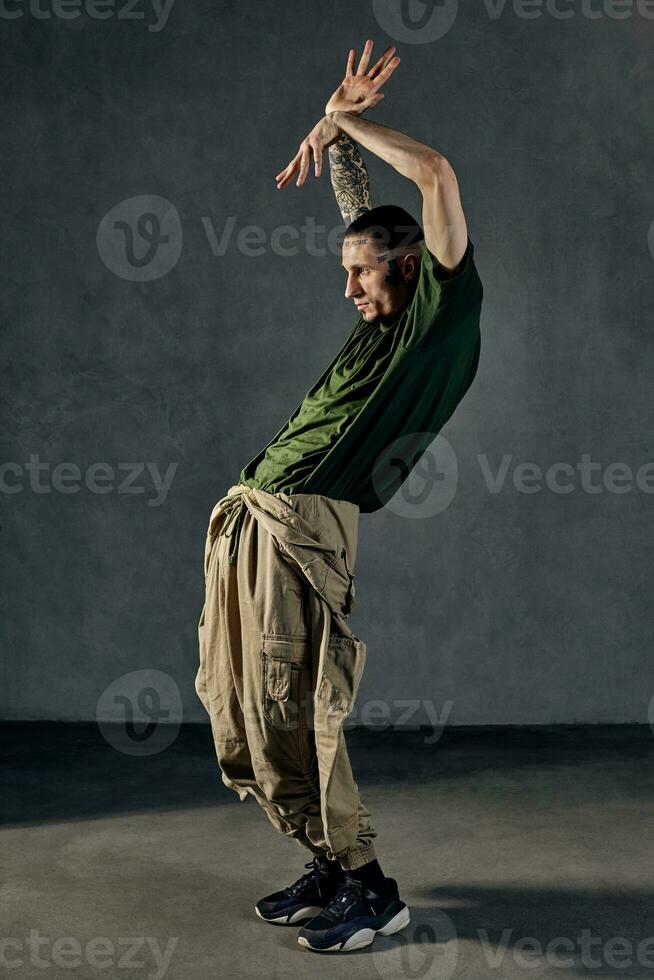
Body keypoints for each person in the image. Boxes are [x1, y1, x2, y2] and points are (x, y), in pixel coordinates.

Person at [194, 39, 483, 954]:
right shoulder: (382, 313)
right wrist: (335, 126)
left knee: (295, 703)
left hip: (307, 527)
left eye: (365, 271)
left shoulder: (438, 318)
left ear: (409, 268)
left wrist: (352, 122)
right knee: (243, 698)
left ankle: (369, 886)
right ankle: (321, 856)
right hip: (259, 517)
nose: (352, 288)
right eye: (346, 271)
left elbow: (433, 174)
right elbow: (362, 204)